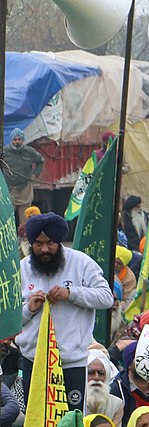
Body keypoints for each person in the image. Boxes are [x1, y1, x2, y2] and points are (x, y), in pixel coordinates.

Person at [17, 213, 115, 411]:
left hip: (71, 363)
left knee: (70, 423)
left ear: (59, 241)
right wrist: (29, 309)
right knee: (37, 424)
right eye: (38, 243)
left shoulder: (82, 263)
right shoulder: (22, 269)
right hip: (34, 361)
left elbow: (106, 298)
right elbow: (9, 318)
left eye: (50, 242)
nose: (44, 249)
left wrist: (71, 293)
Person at [3, 130, 45, 220]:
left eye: (19, 139)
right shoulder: (4, 151)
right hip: (10, 188)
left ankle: (24, 234)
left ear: (22, 140)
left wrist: (35, 174)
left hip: (25, 188)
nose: (17, 141)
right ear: (11, 140)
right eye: (15, 139)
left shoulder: (29, 151)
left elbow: (40, 161)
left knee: (25, 219)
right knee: (8, 218)